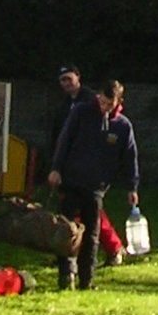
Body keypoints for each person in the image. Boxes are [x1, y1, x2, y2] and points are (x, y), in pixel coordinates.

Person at [47, 78, 139, 290]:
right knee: (66, 231)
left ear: (118, 102)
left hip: (96, 187)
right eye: (102, 101)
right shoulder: (81, 112)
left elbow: (130, 157)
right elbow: (65, 140)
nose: (104, 107)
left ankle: (87, 281)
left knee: (92, 235)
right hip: (71, 180)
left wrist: (132, 186)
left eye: (109, 104)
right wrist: (56, 168)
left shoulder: (123, 126)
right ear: (98, 96)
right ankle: (66, 277)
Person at [52, 65, 125, 262]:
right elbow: (62, 136)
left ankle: (113, 248)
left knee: (93, 216)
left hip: (91, 172)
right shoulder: (65, 105)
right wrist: (57, 166)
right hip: (70, 167)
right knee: (70, 214)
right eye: (62, 80)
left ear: (78, 77)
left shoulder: (91, 102)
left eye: (69, 79)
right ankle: (68, 253)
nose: (66, 84)